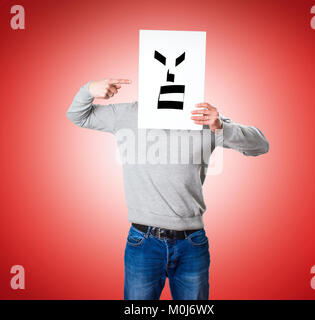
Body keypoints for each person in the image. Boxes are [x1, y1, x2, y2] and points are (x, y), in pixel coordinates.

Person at [66, 78, 269, 300]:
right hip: (143, 242)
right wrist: (89, 90)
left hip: (192, 243)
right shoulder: (128, 114)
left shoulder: (203, 118)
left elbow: (260, 145)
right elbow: (78, 115)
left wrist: (221, 127)